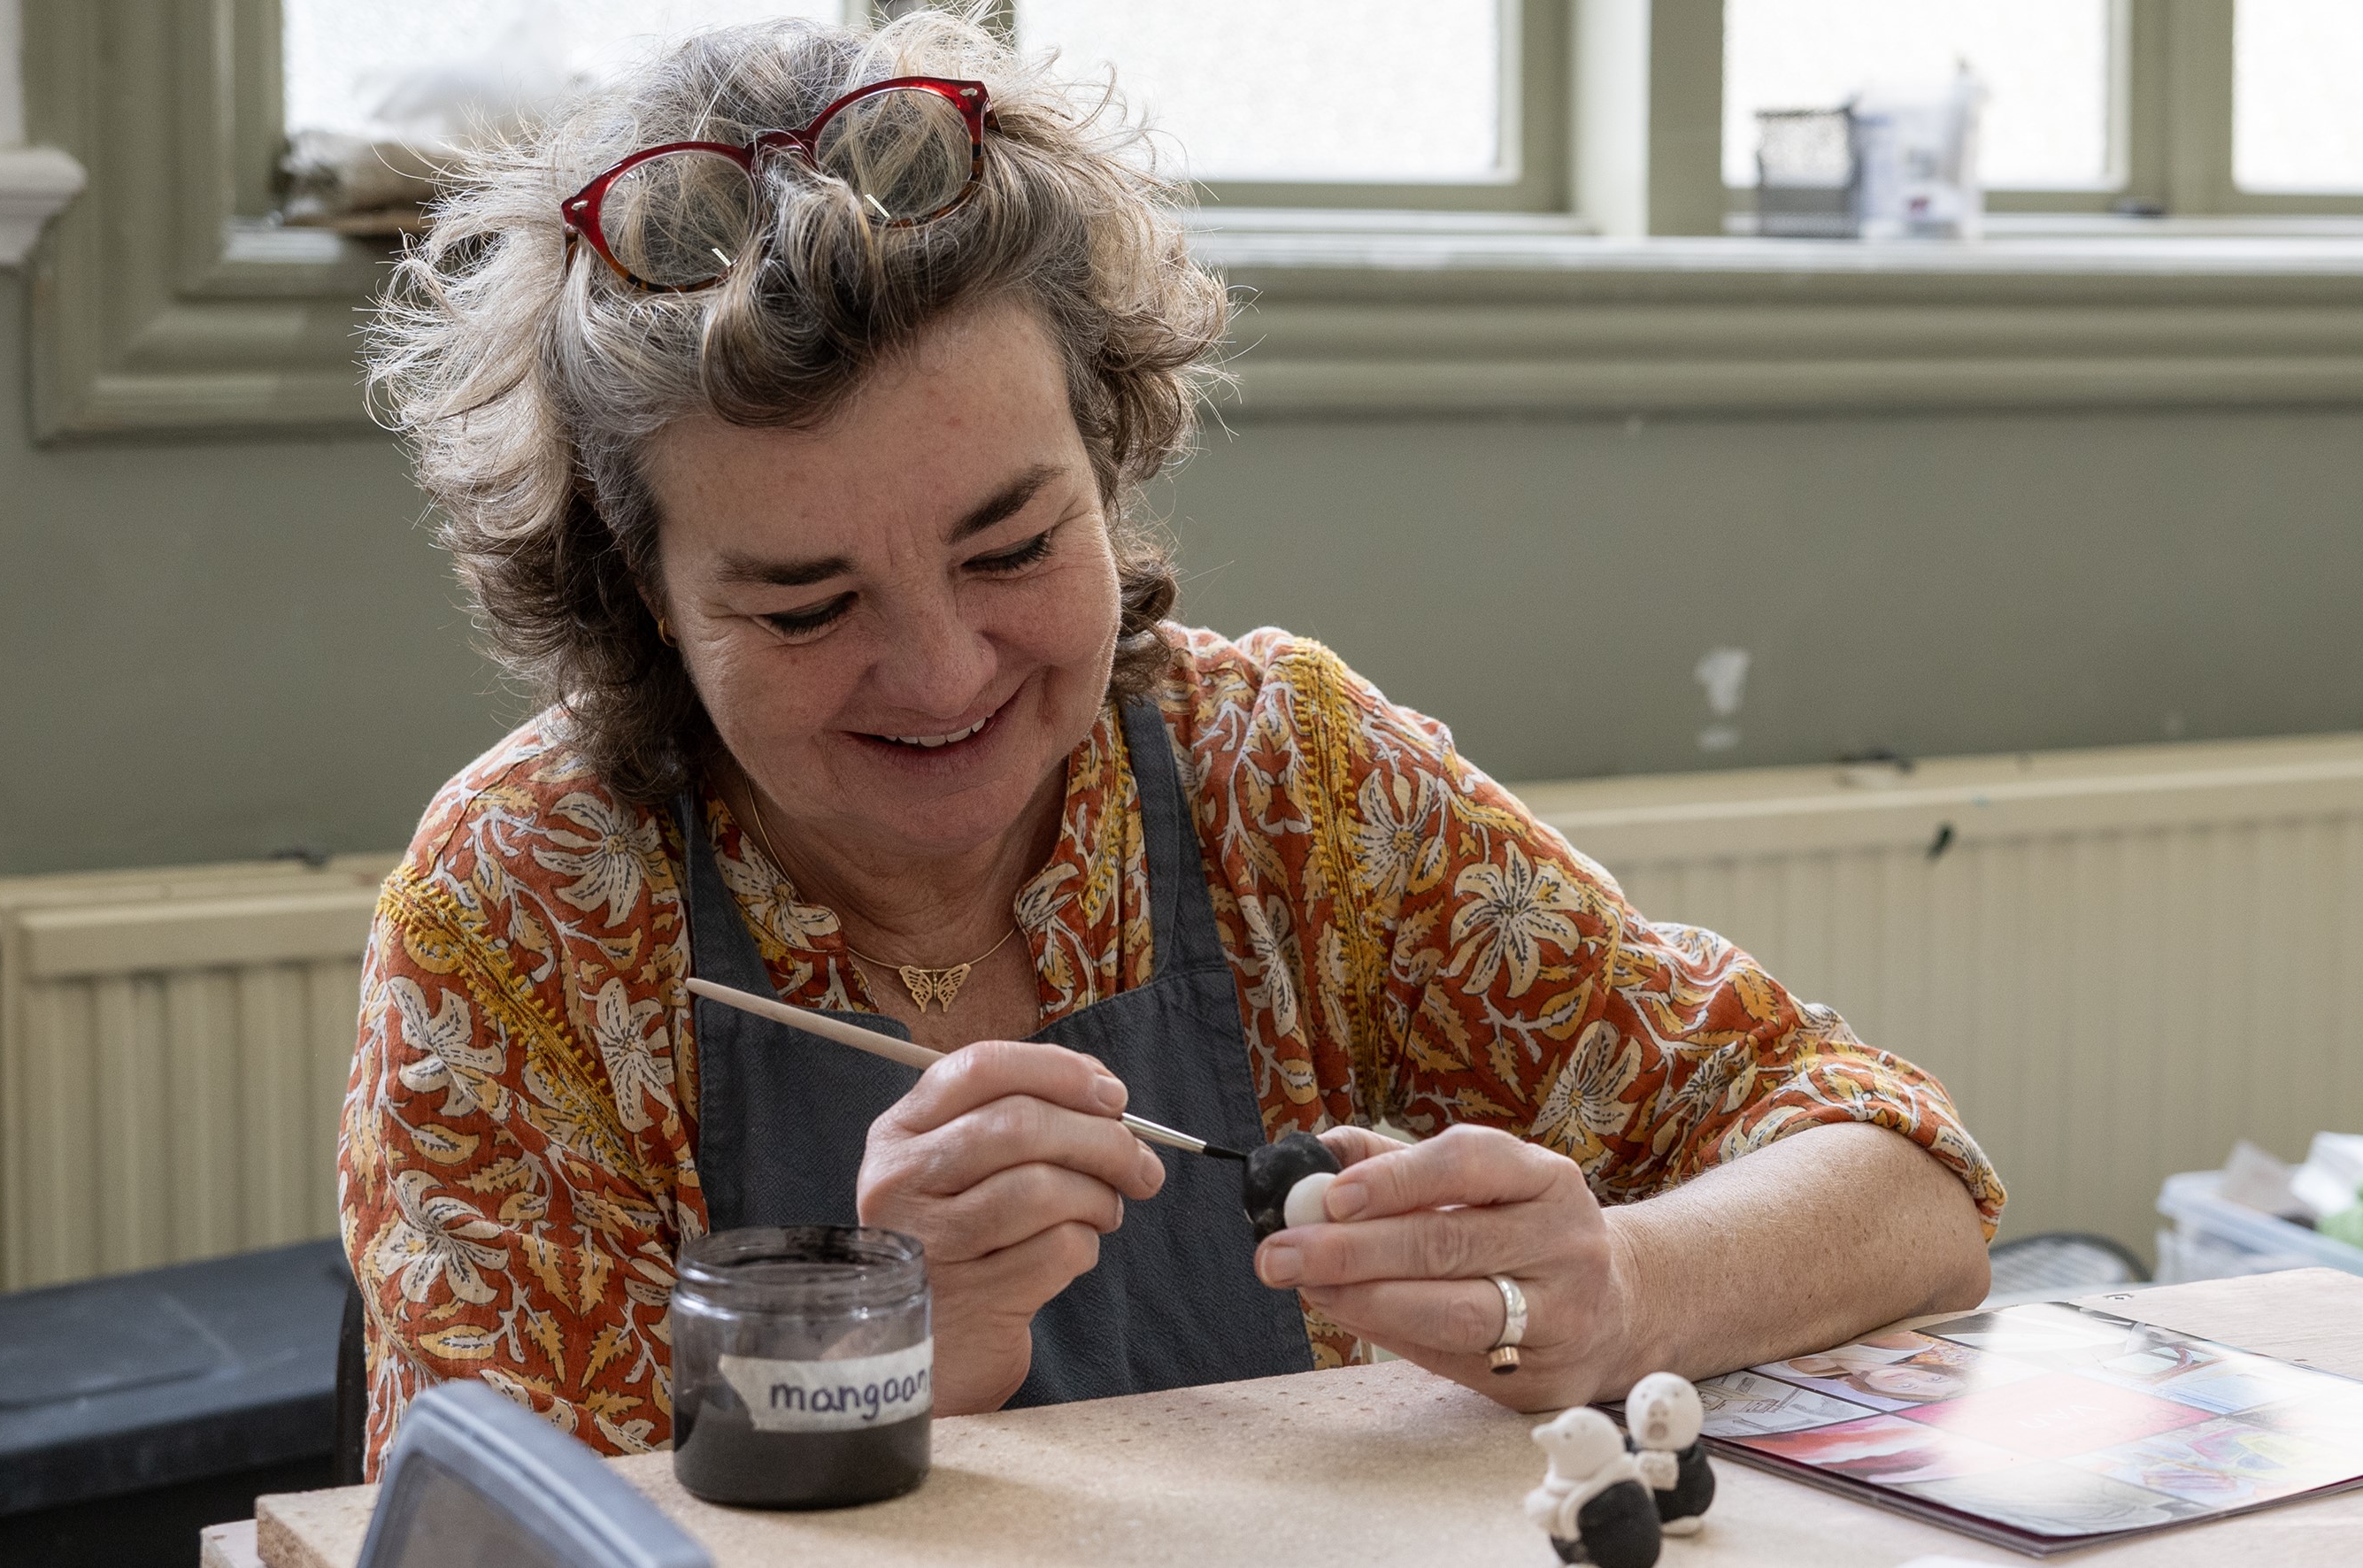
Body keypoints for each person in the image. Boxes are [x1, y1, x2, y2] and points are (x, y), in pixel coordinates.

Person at [340, 9, 2003, 1472]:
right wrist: (889, 1369)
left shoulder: (1289, 782)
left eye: (1010, 548)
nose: (939, 673)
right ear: (639, 593)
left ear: (1112, 450)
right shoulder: (524, 918)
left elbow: (1904, 1176)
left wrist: (1619, 1290)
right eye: (802, 608)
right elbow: (476, 1531)